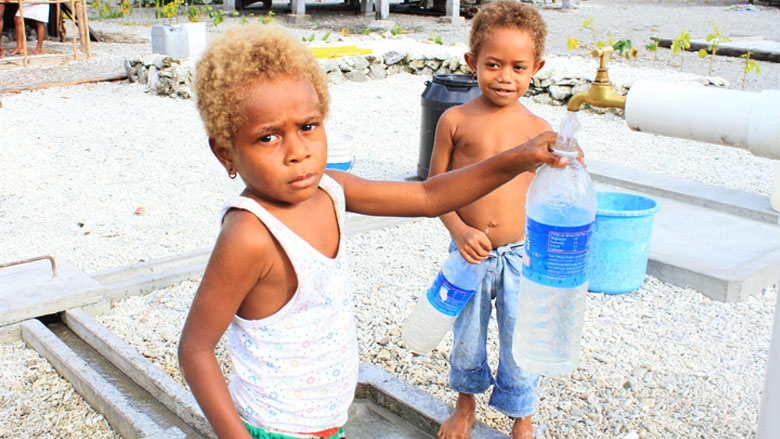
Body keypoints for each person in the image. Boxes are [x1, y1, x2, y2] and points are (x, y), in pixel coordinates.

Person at [177, 23, 568, 439]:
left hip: (328, 420)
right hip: (274, 428)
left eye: (308, 126)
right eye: (268, 137)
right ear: (225, 153)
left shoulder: (330, 189)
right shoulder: (250, 234)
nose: (297, 153)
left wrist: (520, 157)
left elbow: (427, 197)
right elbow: (196, 350)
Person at [427, 2, 562, 438]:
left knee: (521, 337)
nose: (506, 76)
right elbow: (434, 191)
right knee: (466, 334)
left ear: (536, 68)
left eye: (518, 66)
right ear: (472, 63)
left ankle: (523, 417)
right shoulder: (455, 120)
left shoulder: (540, 130)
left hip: (520, 257)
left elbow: (556, 195)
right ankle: (464, 406)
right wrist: (461, 230)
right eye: (493, 64)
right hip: (468, 251)